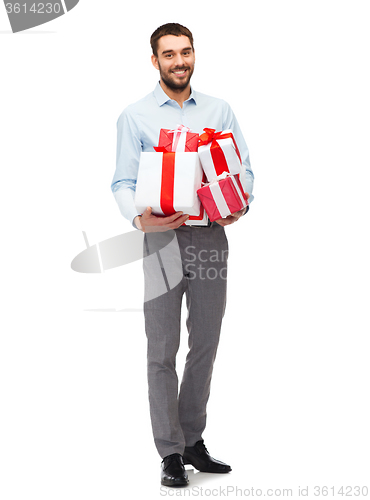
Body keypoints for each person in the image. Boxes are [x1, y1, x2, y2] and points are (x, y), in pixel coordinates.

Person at [111, 23, 254, 487]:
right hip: (162, 241)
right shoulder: (135, 116)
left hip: (211, 235)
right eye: (169, 54)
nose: (179, 61)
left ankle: (193, 439)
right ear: (155, 61)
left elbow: (244, 169)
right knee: (162, 347)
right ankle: (169, 452)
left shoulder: (220, 109)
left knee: (206, 342)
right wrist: (138, 220)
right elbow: (122, 182)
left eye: (186, 52)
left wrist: (239, 204)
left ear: (195, 55)